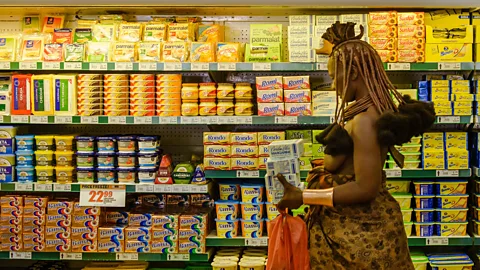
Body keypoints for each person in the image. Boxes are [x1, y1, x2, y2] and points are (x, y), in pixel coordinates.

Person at [277, 22, 435, 270]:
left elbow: (366, 187)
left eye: (333, 77)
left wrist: (304, 196)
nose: (332, 86)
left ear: (352, 73)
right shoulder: (366, 113)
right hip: (355, 234)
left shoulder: (364, 121)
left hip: (359, 240)